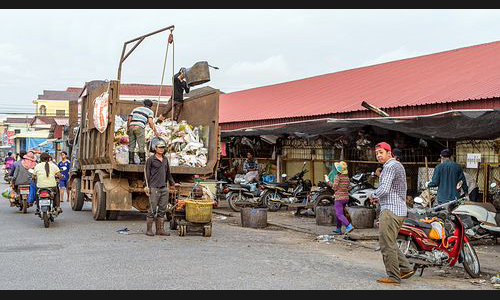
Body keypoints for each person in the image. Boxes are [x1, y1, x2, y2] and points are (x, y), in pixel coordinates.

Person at [369, 142, 415, 285]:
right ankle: (406, 268)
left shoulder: (389, 167)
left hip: (391, 210)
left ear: (389, 153)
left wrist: (372, 194)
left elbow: (384, 189)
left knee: (386, 244)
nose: (378, 156)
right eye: (377, 153)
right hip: (398, 209)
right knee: (390, 242)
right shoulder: (397, 165)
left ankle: (394, 277)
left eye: (381, 152)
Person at [144, 140, 178, 236]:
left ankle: (160, 230)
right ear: (155, 149)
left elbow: (168, 174)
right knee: (152, 209)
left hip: (164, 188)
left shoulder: (165, 159)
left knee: (163, 209)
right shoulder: (151, 159)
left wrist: (172, 183)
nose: (161, 149)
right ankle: (149, 230)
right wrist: (146, 186)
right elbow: (146, 174)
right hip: (154, 187)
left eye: (163, 147)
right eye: (159, 147)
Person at [127, 99, 159, 164]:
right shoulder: (150, 111)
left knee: (131, 145)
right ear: (151, 106)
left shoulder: (136, 109)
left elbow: (129, 119)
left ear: (144, 104)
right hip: (139, 127)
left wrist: (128, 128)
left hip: (131, 126)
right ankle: (142, 161)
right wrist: (155, 131)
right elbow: (150, 122)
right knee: (141, 145)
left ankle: (131, 161)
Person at [329, 161, 354, 234]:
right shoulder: (346, 178)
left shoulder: (338, 177)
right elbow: (349, 187)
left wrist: (328, 181)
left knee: (339, 214)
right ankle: (338, 229)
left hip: (339, 198)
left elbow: (334, 187)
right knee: (340, 213)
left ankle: (349, 226)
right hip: (346, 198)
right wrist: (343, 189)